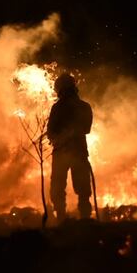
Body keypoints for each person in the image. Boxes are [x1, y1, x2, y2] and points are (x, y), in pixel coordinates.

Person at [47, 73, 94, 221]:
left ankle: (70, 218)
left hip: (70, 153)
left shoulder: (60, 108)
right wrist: (60, 137)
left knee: (63, 187)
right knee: (77, 188)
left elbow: (85, 129)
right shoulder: (84, 106)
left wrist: (66, 135)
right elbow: (51, 132)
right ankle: (74, 218)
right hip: (72, 152)